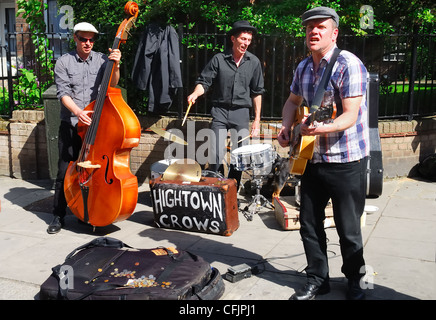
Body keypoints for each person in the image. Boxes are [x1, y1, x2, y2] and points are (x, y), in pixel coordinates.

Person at [277, 7, 369, 300]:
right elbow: (293, 101)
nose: (313, 32)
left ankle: (355, 279)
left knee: (349, 228)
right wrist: (285, 126)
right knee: (309, 224)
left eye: (320, 27)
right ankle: (318, 278)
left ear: (334, 33)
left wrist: (316, 129)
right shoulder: (303, 67)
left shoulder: (348, 65)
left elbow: (350, 116)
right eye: (309, 28)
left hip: (346, 160)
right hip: (312, 159)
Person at [47, 22, 122, 234]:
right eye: (83, 39)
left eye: (91, 40)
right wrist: (79, 112)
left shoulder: (101, 60)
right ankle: (58, 216)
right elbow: (63, 94)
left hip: (95, 128)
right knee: (65, 172)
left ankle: (86, 213)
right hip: (71, 124)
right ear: (75, 39)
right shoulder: (64, 62)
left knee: (92, 174)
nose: (88, 43)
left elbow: (112, 85)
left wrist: (115, 65)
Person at [187, 21, 264, 187]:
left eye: (249, 40)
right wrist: (195, 93)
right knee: (215, 152)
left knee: (240, 154)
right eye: (243, 39)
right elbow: (204, 82)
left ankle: (231, 187)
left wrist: (257, 119)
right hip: (220, 111)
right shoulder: (219, 59)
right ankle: (216, 184)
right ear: (233, 39)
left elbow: (257, 92)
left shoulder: (254, 62)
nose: (246, 43)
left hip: (242, 112)